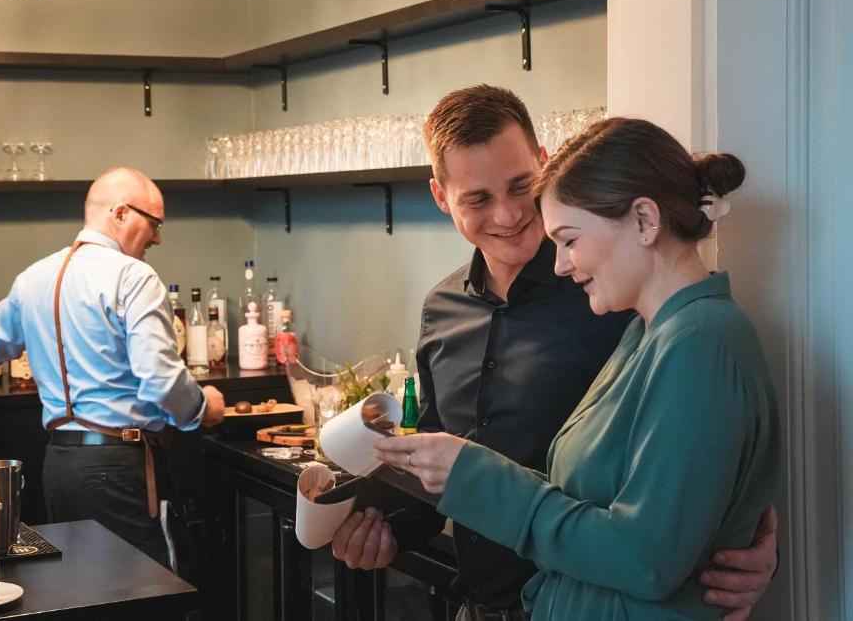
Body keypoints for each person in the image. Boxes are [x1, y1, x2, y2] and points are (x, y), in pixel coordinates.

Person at [330, 86, 778, 621]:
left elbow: (684, 494)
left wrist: (739, 536)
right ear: (442, 197)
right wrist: (387, 525)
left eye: (521, 187)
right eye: (478, 199)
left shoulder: (624, 303)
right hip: (490, 603)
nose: (508, 214)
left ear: (542, 164)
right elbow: (435, 459)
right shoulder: (442, 307)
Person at [0, 166, 225, 571]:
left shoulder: (33, 278)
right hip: (120, 464)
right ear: (121, 213)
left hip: (60, 465)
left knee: (82, 590)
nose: (158, 238)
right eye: (155, 223)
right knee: (147, 591)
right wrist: (203, 408)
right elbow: (159, 378)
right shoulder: (134, 276)